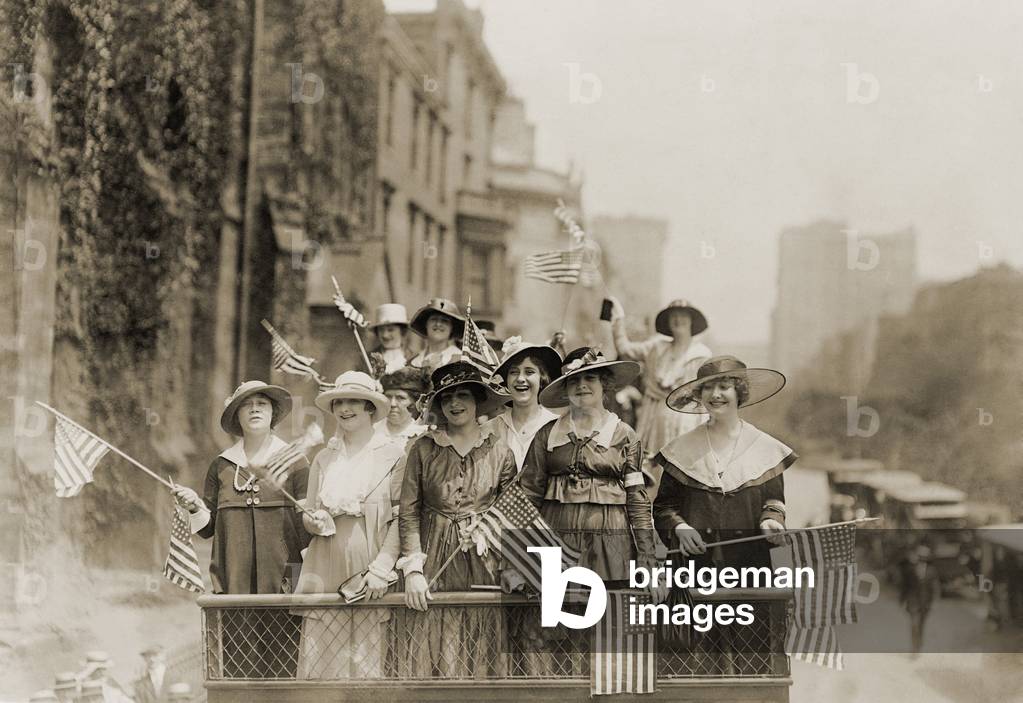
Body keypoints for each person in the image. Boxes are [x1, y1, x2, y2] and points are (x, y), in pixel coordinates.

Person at [652, 355, 792, 672]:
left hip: (749, 568)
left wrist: (771, 520)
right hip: (694, 572)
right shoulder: (681, 450)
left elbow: (775, 500)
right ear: (699, 396)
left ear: (739, 392)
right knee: (695, 661)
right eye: (709, 388)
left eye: (725, 386)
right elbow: (663, 507)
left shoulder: (764, 448)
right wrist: (679, 528)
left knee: (752, 656)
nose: (717, 394)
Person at [395, 360, 516, 677]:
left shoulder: (500, 451)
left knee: (481, 633)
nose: (454, 403)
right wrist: (413, 570)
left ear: (477, 400)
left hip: (483, 558)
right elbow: (408, 510)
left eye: (462, 395)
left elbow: (511, 510)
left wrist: (489, 530)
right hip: (433, 555)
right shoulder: (423, 449)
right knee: (432, 636)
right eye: (446, 398)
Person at [294, 371, 407, 678]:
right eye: (339, 402)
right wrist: (314, 522)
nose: (345, 408)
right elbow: (308, 513)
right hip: (324, 562)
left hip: (368, 569)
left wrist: (382, 567)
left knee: (367, 661)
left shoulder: (394, 455)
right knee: (323, 659)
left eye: (354, 401)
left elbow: (401, 518)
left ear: (370, 407)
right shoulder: (324, 458)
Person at [519, 347, 660, 591]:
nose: (581, 385)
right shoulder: (547, 435)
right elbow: (527, 497)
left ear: (604, 384)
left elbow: (637, 500)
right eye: (573, 380)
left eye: (590, 378)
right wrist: (519, 561)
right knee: (557, 620)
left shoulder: (625, 435)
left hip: (611, 545)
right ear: (565, 388)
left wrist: (648, 560)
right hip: (556, 540)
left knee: (608, 621)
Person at [171, 381, 309, 594]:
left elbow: (306, 526)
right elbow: (208, 529)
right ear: (237, 415)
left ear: (273, 412)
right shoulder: (221, 466)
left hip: (285, 582)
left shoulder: (295, 461)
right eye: (246, 405)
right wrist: (193, 507)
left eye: (262, 403)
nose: (254, 408)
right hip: (233, 582)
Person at [607, 297, 712, 464]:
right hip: (655, 418)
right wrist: (617, 319)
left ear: (692, 321)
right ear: (668, 322)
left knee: (684, 468)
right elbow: (624, 349)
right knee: (653, 467)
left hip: (687, 421)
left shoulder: (702, 354)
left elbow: (707, 394)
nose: (678, 320)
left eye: (683, 316)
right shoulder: (656, 347)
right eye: (674, 317)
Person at [484, 337, 562, 473]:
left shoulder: (558, 426)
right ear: (506, 381)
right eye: (514, 372)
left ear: (542, 379)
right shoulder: (489, 429)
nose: (520, 379)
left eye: (529, 372)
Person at [898, 542, 940, 657]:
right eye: (920, 556)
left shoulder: (932, 571)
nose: (921, 559)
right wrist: (902, 601)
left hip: (925, 603)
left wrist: (935, 603)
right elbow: (905, 586)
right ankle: (914, 648)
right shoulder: (910, 570)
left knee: (921, 625)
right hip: (913, 602)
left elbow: (935, 588)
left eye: (923, 557)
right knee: (914, 625)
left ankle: (919, 645)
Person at [376, 366, 430, 443]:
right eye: (388, 397)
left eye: (400, 398)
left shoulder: (422, 435)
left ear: (416, 402)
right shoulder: (371, 428)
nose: (392, 404)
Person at [408, 298, 464, 370]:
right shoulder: (413, 362)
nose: (438, 324)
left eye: (444, 321)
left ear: (452, 328)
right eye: (434, 319)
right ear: (426, 324)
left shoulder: (460, 361)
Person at [368, 303, 415, 374]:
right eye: (381, 330)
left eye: (390, 330)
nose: (385, 335)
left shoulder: (414, 358)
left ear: (402, 331)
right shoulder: (368, 359)